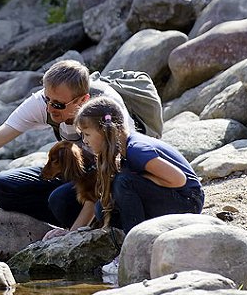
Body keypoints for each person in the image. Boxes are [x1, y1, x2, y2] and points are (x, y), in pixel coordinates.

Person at [0, 59, 135, 239]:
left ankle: (92, 223)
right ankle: (68, 215)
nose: (49, 108)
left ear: (83, 100)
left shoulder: (106, 111)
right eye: (47, 99)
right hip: (78, 174)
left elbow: (107, 177)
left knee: (60, 200)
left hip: (113, 180)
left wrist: (71, 234)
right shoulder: (45, 103)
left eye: (57, 104)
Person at [76, 96, 204, 234]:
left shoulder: (136, 150)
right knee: (102, 209)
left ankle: (135, 239)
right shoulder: (123, 150)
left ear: (104, 130)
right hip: (174, 197)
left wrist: (140, 178)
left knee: (124, 182)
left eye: (87, 134)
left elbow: (179, 179)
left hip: (189, 201)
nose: (85, 141)